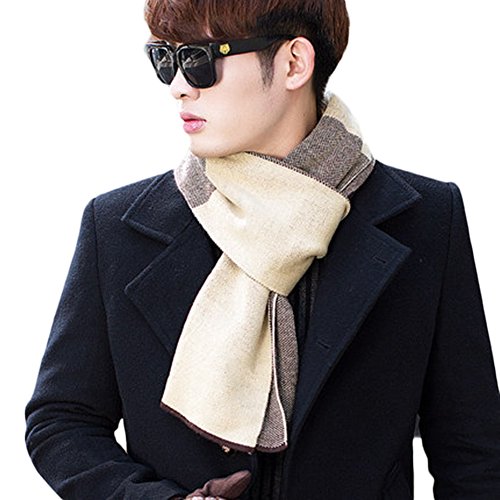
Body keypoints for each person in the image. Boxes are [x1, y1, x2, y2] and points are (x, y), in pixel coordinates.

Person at [25, 0, 500, 498]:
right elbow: (62, 421)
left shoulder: (424, 220)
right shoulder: (117, 228)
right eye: (165, 58)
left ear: (295, 63)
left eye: (200, 59)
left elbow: (472, 452)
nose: (179, 86)